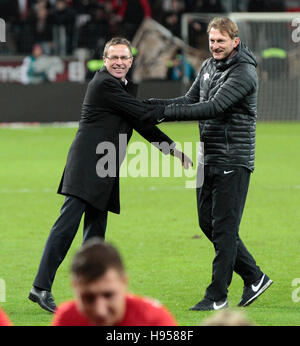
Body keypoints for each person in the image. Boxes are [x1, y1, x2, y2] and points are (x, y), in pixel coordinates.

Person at [29, 37, 192, 313]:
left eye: (124, 58)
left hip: (105, 166)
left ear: (130, 61)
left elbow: (139, 122)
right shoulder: (104, 84)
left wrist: (172, 149)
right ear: (105, 60)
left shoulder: (120, 87)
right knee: (66, 226)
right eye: (113, 58)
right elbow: (142, 113)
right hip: (87, 164)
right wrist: (182, 109)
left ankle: (90, 290)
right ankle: (40, 287)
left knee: (95, 235)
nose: (118, 62)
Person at [142, 17, 273, 311]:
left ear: (235, 42)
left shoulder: (244, 73)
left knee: (225, 230)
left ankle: (217, 296)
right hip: (208, 157)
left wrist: (164, 115)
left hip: (233, 159)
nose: (215, 46)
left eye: (221, 41)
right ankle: (254, 276)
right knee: (206, 223)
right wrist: (157, 105)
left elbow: (213, 108)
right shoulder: (208, 66)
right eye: (212, 41)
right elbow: (191, 99)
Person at [52, 238, 177, 326]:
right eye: (88, 298)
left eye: (108, 295)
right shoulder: (67, 319)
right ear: (75, 286)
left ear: (124, 282)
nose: (100, 310)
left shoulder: (153, 321)